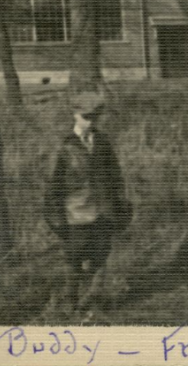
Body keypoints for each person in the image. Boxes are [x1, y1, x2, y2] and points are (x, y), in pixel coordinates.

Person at [45, 91, 132, 314]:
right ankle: (70, 304)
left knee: (101, 256)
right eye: (86, 117)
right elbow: (53, 187)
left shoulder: (102, 143)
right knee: (74, 259)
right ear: (75, 115)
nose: (90, 122)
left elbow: (115, 178)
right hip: (75, 214)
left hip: (104, 211)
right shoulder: (64, 147)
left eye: (95, 117)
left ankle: (94, 301)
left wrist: (120, 208)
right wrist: (56, 220)